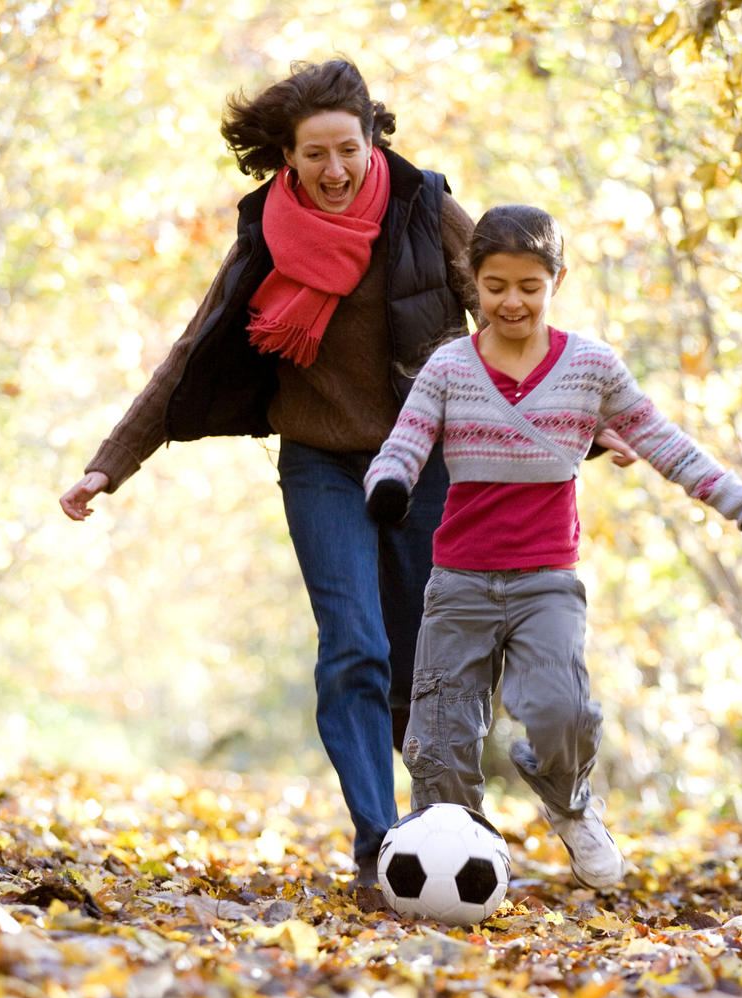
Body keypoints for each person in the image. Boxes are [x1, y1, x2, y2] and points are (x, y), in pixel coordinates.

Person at [58, 59, 480, 897]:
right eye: (314, 155)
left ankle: (448, 829)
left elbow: (507, 315)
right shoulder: (268, 231)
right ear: (286, 158)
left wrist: (587, 419)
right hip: (320, 463)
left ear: (372, 141)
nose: (333, 171)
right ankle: (377, 841)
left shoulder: (426, 209)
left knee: (423, 665)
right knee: (354, 646)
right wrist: (110, 463)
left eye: (347, 151)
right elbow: (193, 348)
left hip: (425, 461)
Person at [361, 204, 742, 889]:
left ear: (557, 281)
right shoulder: (450, 368)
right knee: (441, 737)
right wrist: (389, 484)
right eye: (496, 286)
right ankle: (451, 866)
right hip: (459, 581)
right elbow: (406, 442)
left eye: (529, 286)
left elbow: (663, 443)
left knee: (561, 712)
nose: (512, 301)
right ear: (472, 283)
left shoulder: (590, 367)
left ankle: (569, 804)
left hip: (546, 582)